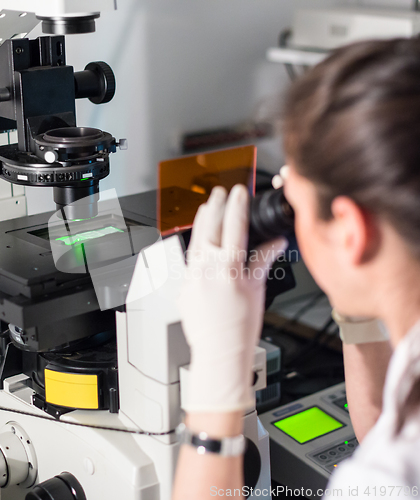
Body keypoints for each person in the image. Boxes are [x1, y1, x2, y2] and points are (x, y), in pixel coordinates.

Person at [172, 37, 420, 500]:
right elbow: (382, 428)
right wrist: (362, 286)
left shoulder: (383, 480)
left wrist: (216, 383)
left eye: (294, 198)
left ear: (350, 229)